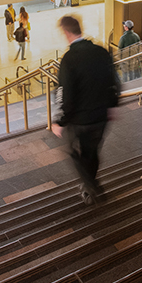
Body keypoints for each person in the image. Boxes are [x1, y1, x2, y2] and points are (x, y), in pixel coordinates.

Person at [51, 15, 120, 205]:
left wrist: (60, 121)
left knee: (73, 152)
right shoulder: (101, 51)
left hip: (80, 120)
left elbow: (65, 94)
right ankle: (90, 188)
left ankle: (93, 186)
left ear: (66, 33)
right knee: (92, 152)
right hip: (101, 116)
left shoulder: (69, 59)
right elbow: (114, 81)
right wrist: (113, 105)